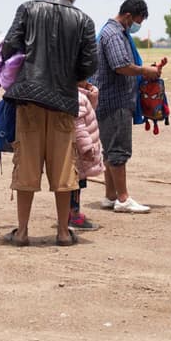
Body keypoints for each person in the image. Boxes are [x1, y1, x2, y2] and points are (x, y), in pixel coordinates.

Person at [0, 0, 97, 247]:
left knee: (27, 165)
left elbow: (10, 47)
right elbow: (89, 64)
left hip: (29, 98)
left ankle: (22, 231)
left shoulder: (27, 9)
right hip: (63, 101)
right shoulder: (83, 19)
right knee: (65, 168)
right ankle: (64, 232)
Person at [92, 0, 165, 214]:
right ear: (128, 16)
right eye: (138, 21)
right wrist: (146, 71)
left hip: (107, 99)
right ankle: (123, 198)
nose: (137, 26)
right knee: (118, 150)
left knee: (109, 149)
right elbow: (121, 66)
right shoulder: (114, 35)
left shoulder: (112, 31)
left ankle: (110, 195)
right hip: (115, 101)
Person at [68, 83, 104, 231]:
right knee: (75, 184)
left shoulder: (81, 95)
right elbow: (79, 126)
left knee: (76, 183)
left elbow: (89, 112)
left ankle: (70, 214)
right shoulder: (76, 97)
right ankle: (73, 216)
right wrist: (87, 148)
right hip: (79, 153)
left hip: (79, 151)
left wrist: (92, 96)